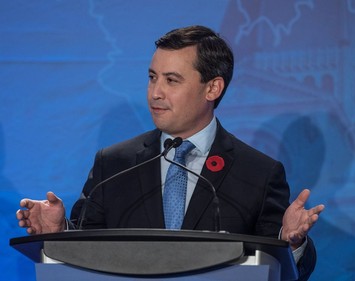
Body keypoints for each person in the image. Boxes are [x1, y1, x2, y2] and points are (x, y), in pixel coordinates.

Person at [16, 25, 324, 280]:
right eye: (152, 77)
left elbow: (283, 268)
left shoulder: (258, 172)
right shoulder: (114, 163)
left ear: (212, 89)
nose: (155, 92)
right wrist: (59, 232)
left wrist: (291, 243)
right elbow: (86, 247)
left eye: (171, 80)